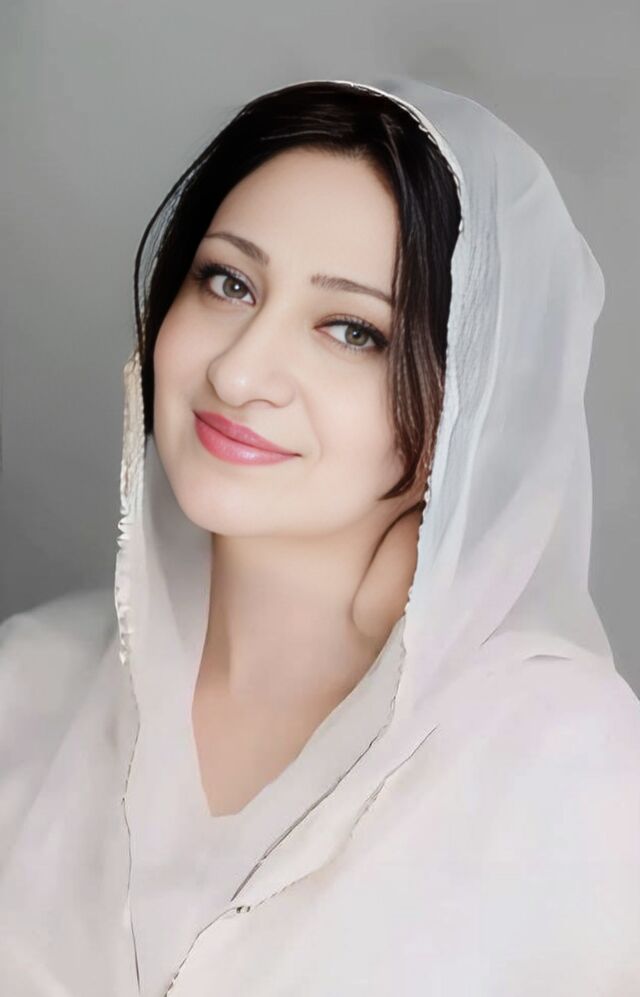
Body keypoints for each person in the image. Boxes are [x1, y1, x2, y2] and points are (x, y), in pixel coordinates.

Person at [1, 75, 639, 996]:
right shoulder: (26, 684)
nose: (240, 371)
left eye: (351, 331)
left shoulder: (564, 768)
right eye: (228, 282)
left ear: (471, 400)